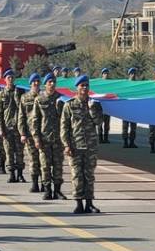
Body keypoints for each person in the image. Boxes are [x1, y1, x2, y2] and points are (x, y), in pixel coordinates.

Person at [61, 74, 104, 214]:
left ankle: (89, 203)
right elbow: (64, 127)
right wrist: (67, 145)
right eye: (82, 86)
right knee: (77, 175)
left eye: (86, 85)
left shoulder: (95, 104)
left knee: (89, 175)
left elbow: (99, 122)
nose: (84, 88)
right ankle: (79, 203)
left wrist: (92, 109)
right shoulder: (69, 105)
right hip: (75, 146)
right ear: (77, 88)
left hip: (90, 146)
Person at [31, 72, 67, 200]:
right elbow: (35, 120)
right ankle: (47, 190)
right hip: (44, 138)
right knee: (45, 166)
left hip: (58, 138)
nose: (52, 84)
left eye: (53, 82)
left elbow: (66, 119)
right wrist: (36, 138)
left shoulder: (61, 99)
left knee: (58, 165)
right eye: (49, 82)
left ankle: (57, 190)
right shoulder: (39, 99)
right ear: (45, 84)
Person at [0, 69, 25, 183]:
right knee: (9, 151)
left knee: (19, 152)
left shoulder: (19, 92)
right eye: (8, 78)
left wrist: (16, 97)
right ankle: (12, 174)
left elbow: (22, 109)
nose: (10, 80)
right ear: (5, 79)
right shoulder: (1, 93)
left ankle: (20, 174)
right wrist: (0, 128)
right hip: (7, 126)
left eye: (12, 78)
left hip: (18, 127)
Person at [18, 73, 42, 192]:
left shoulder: (44, 97)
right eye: (34, 82)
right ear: (30, 84)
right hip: (30, 133)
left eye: (38, 81)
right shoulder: (25, 98)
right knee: (33, 159)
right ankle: (35, 183)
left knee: (44, 160)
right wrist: (22, 133)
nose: (36, 84)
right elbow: (21, 116)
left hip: (43, 133)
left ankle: (45, 183)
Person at [121, 67, 138, 148]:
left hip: (134, 109)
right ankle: (125, 142)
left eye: (134, 73)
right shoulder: (125, 85)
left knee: (133, 127)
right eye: (131, 73)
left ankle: (132, 142)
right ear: (129, 75)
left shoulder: (137, 85)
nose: (133, 75)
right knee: (125, 127)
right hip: (126, 109)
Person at [97, 68, 111, 143]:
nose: (106, 75)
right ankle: (100, 138)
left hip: (108, 107)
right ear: (102, 74)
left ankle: (106, 138)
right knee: (100, 124)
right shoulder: (99, 83)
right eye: (104, 73)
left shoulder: (110, 84)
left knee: (107, 124)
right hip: (100, 107)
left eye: (107, 73)